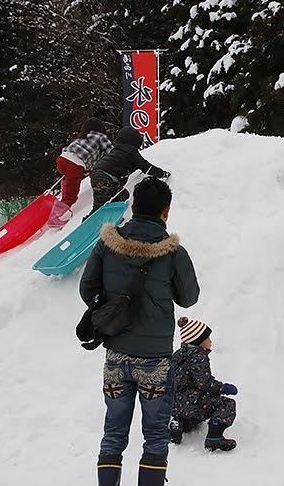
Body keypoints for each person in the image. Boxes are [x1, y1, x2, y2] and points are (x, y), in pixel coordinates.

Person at [79, 176, 200, 486]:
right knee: (156, 436)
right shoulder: (173, 253)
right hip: (155, 360)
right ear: (166, 212)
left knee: (114, 432)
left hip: (116, 355)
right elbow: (189, 298)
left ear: (132, 207)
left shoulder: (108, 244)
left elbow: (86, 288)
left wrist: (109, 304)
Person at [169, 317, 238, 452]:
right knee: (227, 404)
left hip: (175, 404)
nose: (210, 341)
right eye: (208, 338)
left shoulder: (178, 355)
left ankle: (179, 424)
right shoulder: (198, 356)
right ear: (199, 341)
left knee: (192, 419)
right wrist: (223, 388)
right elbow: (204, 382)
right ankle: (215, 437)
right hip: (193, 402)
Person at [88, 127, 170, 217]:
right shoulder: (132, 152)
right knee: (100, 206)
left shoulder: (116, 149)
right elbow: (146, 167)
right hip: (105, 177)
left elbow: (120, 163)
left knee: (123, 194)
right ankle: (89, 225)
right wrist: (162, 173)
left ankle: (111, 216)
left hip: (99, 173)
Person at [53, 118, 112, 225]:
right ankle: (55, 217)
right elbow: (110, 151)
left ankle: (64, 189)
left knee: (69, 179)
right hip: (74, 164)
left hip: (62, 159)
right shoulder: (100, 137)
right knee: (71, 194)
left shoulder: (81, 138)